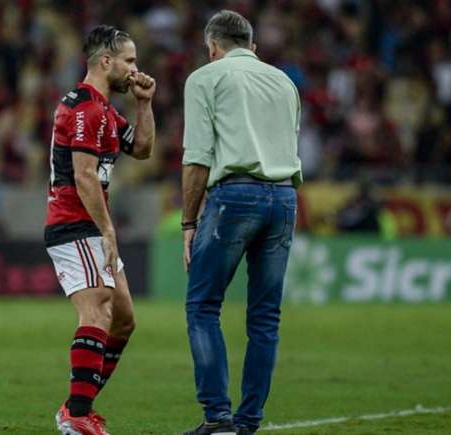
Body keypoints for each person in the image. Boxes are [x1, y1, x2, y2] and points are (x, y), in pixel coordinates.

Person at [180, 10, 302, 435]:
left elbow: (196, 158)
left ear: (212, 47)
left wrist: (187, 224)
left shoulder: (205, 78)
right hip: (285, 195)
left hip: (234, 196)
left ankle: (218, 418)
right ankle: (248, 421)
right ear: (253, 46)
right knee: (266, 317)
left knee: (202, 305)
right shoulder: (284, 82)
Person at [44, 25, 156, 435]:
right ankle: (76, 415)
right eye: (129, 60)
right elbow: (84, 176)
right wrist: (108, 231)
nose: (135, 69)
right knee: (98, 308)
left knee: (124, 320)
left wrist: (145, 105)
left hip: (91, 225)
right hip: (75, 223)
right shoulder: (83, 108)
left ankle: (77, 405)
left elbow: (142, 149)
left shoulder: (107, 111)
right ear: (106, 62)